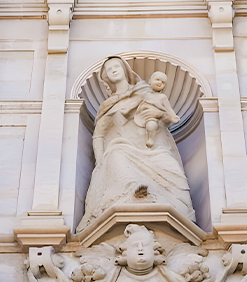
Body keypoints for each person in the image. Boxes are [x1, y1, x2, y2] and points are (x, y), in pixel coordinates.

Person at [79, 57, 196, 230]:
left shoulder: (147, 92)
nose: (113, 69)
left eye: (116, 66)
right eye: (109, 68)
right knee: (116, 156)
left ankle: (182, 214)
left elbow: (166, 116)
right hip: (121, 148)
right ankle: (136, 193)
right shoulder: (107, 105)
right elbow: (99, 134)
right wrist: (100, 161)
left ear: (125, 69)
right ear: (106, 78)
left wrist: (161, 115)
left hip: (154, 148)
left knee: (172, 170)